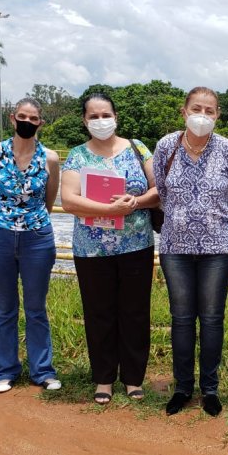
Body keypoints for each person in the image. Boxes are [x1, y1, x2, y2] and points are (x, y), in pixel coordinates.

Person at [153, 86, 228, 417]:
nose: (202, 116)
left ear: (218, 114)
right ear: (184, 111)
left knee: (211, 319)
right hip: (174, 247)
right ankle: (181, 387)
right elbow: (161, 192)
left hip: (218, 249)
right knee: (180, 319)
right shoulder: (166, 146)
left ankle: (209, 388)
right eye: (197, 108)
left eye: (209, 110)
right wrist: (184, 218)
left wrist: (211, 222)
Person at [60, 94, 158, 405]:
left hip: (136, 244)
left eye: (106, 114)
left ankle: (133, 378)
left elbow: (159, 190)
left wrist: (135, 202)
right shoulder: (77, 156)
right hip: (91, 250)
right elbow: (69, 200)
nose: (101, 121)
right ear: (84, 121)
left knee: (135, 312)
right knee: (99, 312)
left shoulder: (137, 148)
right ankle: (103, 378)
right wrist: (109, 209)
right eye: (94, 116)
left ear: (116, 116)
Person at [0, 97, 62, 393]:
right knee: (6, 309)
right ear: (13, 118)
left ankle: (43, 371)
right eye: (22, 116)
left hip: (37, 238)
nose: (27, 121)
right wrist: (11, 220)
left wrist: (29, 223)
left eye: (34, 118)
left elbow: (49, 201)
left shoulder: (50, 158)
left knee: (36, 307)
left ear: (40, 123)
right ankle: (6, 370)